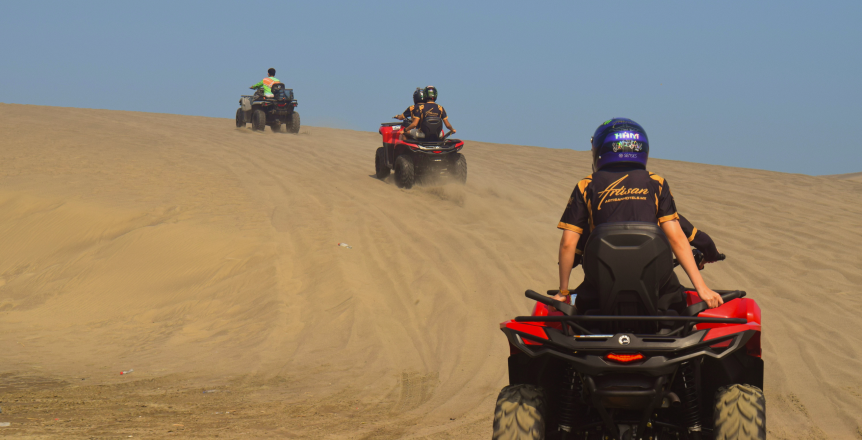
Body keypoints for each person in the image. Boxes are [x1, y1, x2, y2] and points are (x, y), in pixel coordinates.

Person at [555, 118, 723, 312]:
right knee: (680, 310)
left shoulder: (586, 185)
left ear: (601, 150)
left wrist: (563, 292)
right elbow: (676, 237)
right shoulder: (656, 183)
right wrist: (701, 288)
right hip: (659, 288)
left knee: (578, 313)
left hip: (599, 288)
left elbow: (568, 243)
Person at [570, 213, 722, 271]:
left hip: (599, 295)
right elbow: (702, 240)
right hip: (661, 295)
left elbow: (571, 255)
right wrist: (711, 255)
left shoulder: (594, 217)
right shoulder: (662, 214)